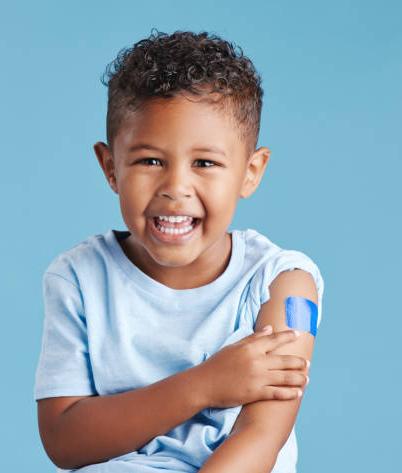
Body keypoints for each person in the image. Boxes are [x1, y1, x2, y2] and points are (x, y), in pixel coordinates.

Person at [33, 29, 324, 473]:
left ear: (251, 172)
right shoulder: (77, 278)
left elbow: (262, 435)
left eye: (204, 163)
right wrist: (203, 386)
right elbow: (64, 441)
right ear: (111, 167)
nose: (175, 188)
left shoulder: (283, 284)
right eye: (150, 161)